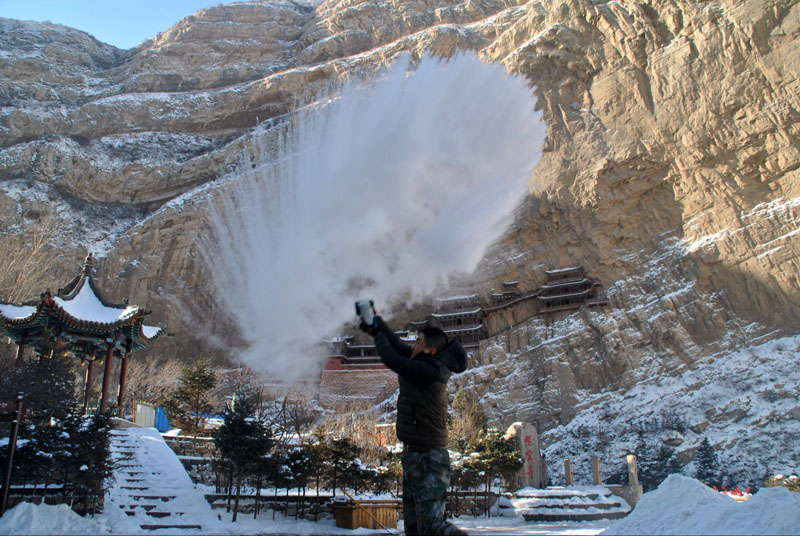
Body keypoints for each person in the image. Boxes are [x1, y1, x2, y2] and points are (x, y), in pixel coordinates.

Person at [361, 316, 468, 536]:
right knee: (414, 529)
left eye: (418, 342)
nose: (413, 345)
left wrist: (379, 336)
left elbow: (393, 359)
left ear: (431, 351)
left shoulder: (430, 371)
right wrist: (377, 326)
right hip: (413, 457)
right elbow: (398, 347)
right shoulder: (423, 362)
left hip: (429, 459)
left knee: (431, 528)